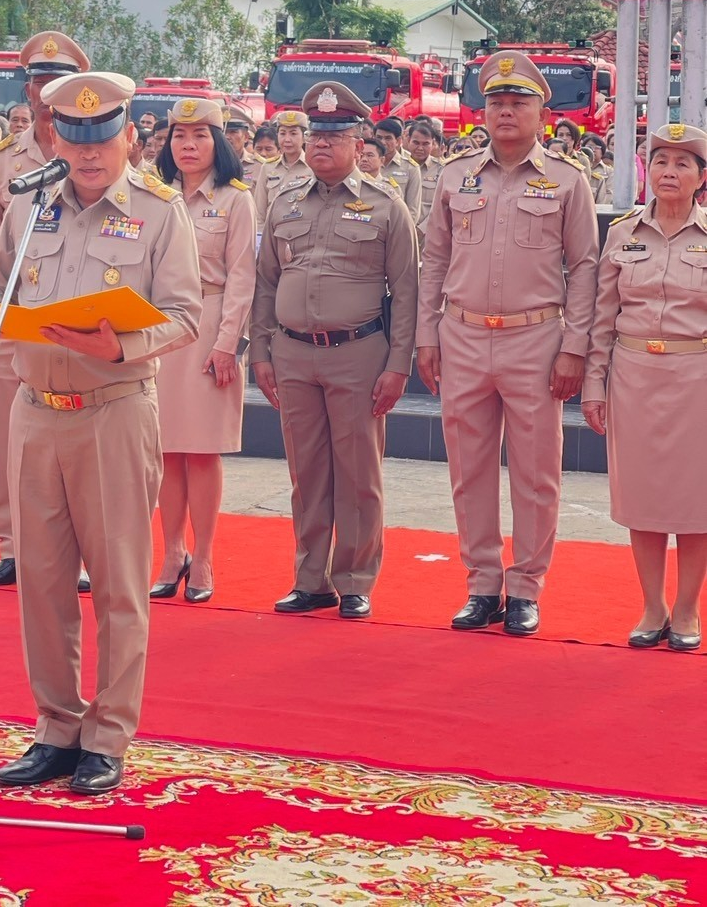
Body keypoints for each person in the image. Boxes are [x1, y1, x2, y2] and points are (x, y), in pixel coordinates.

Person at [0, 71, 201, 795]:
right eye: (74, 136)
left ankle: (108, 737)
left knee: (118, 584)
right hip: (36, 411)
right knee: (40, 583)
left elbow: (185, 313)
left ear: (131, 136)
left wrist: (124, 348)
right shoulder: (30, 206)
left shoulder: (161, 212)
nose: (89, 151)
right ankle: (56, 728)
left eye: (103, 136)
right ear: (54, 138)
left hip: (114, 408)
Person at [416, 51, 599, 636]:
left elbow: (586, 267)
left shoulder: (567, 180)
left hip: (535, 340)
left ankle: (525, 587)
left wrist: (574, 347)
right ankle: (481, 584)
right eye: (496, 101)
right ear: (483, 110)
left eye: (519, 101)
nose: (506, 111)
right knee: (468, 470)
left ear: (542, 112)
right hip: (463, 335)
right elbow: (435, 260)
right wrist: (427, 334)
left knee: (537, 471)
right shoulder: (454, 175)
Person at [251, 82, 419, 617]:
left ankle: (354, 580)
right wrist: (260, 352)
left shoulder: (386, 206)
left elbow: (407, 291)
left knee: (358, 473)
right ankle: (310, 578)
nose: (322, 145)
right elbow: (266, 283)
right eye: (315, 135)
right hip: (293, 352)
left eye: (336, 136)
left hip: (358, 351)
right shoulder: (284, 203)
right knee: (307, 472)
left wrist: (398, 365)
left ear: (359, 142)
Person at [0, 30, 90, 587]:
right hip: (16, 319)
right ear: (28, 88)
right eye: (39, 81)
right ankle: (13, 545)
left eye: (56, 82)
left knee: (82, 441)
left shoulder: (91, 148)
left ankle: (82, 554)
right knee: (13, 438)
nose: (46, 93)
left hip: (78, 321)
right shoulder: (3, 159)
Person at [582, 123, 707, 651]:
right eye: (660, 162)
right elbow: (601, 317)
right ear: (647, 171)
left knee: (696, 502)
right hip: (633, 377)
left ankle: (686, 609)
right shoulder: (622, 233)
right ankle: (652, 605)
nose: (670, 172)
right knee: (641, 497)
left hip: (696, 381)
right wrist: (593, 384)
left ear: (701, 177)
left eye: (683, 164)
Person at [151, 98, 256, 604]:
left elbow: (242, 278)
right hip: (160, 332)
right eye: (178, 136)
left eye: (199, 136)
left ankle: (206, 553)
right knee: (165, 450)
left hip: (212, 325)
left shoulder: (236, 199)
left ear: (220, 142)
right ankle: (172, 552)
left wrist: (227, 344)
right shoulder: (153, 195)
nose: (188, 146)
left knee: (202, 450)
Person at [252, 109, 308, 224]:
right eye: (282, 133)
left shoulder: (313, 167)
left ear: (305, 137)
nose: (287, 139)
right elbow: (259, 212)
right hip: (272, 233)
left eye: (293, 133)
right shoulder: (268, 168)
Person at [376, 116, 421, 221]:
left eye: (388, 138)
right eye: (379, 138)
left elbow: (413, 210)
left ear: (398, 140)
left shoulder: (411, 168)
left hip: (397, 226)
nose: (382, 142)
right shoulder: (365, 163)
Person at [408, 120, 442, 249]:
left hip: (429, 234)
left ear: (433, 144)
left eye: (425, 144)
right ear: (408, 140)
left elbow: (440, 206)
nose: (420, 148)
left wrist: (421, 230)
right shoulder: (400, 168)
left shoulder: (441, 170)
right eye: (416, 143)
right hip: (398, 232)